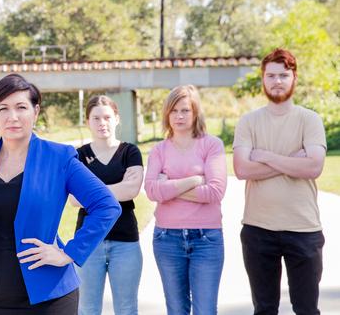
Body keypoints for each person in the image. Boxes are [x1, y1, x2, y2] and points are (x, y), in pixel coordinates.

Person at [0, 74, 121, 314]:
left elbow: (107, 205)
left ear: (35, 111)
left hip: (50, 296)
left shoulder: (59, 157)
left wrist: (69, 253)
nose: (13, 117)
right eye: (3, 108)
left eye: (21, 107)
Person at [233, 48, 326, 315]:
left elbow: (314, 166)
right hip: (258, 229)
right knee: (264, 309)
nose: (277, 81)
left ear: (294, 78)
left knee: (307, 309)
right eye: (271, 75)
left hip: (304, 229)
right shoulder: (248, 122)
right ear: (262, 79)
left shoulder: (310, 120)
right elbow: (241, 169)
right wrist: (290, 161)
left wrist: (266, 157)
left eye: (283, 75)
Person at [144, 85, 227, 315]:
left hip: (206, 239)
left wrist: (168, 186)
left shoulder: (212, 145)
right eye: (174, 111)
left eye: (185, 110)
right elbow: (151, 191)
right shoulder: (158, 150)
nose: (179, 116)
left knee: (205, 311)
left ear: (195, 113)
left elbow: (215, 192)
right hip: (167, 239)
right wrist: (194, 180)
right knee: (177, 310)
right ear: (167, 114)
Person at [69, 95, 144, 315]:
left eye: (107, 117)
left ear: (117, 119)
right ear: (88, 122)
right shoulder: (79, 155)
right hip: (88, 242)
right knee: (87, 309)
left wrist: (92, 192)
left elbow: (132, 190)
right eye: (96, 118)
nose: (103, 123)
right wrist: (117, 187)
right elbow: (74, 199)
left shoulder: (130, 152)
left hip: (125, 241)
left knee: (127, 308)